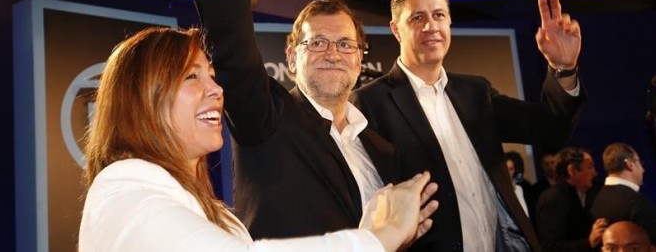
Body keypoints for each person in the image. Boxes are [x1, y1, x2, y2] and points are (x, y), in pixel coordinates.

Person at [78, 26, 439, 251]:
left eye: (212, 75)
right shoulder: (124, 187)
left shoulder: (213, 212)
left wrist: (369, 232)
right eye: (192, 77)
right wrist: (382, 235)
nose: (216, 89)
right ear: (142, 97)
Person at [190, 0, 433, 240]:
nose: (332, 53)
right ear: (291, 57)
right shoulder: (269, 118)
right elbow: (231, 47)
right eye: (317, 42)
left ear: (360, 61)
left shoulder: (385, 150)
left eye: (345, 44)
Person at [350, 0, 586, 250]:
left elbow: (550, 127)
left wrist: (564, 69)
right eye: (417, 18)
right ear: (396, 29)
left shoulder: (476, 91)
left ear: (449, 22)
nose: (431, 26)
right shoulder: (369, 103)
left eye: (439, 15)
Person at [535, 147, 606, 251]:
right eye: (590, 167)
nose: (595, 173)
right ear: (572, 170)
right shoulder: (553, 199)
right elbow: (550, 247)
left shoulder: (583, 194)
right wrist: (589, 242)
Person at [591, 142, 656, 244]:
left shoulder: (596, 199)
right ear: (629, 164)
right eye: (639, 162)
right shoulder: (637, 202)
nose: (643, 170)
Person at [505, 151, 532, 218]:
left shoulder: (519, 188)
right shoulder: (497, 191)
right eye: (506, 169)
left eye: (511, 169)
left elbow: (526, 214)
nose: (508, 173)